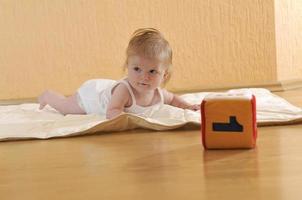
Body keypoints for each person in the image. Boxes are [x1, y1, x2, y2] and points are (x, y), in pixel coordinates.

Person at [38, 28, 200, 119]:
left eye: (152, 71)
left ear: (164, 75)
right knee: (65, 107)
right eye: (137, 69)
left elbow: (173, 100)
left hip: (104, 88)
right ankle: (48, 96)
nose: (144, 76)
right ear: (127, 67)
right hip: (93, 96)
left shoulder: (158, 93)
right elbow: (112, 111)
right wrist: (130, 121)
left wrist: (188, 106)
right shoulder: (125, 90)